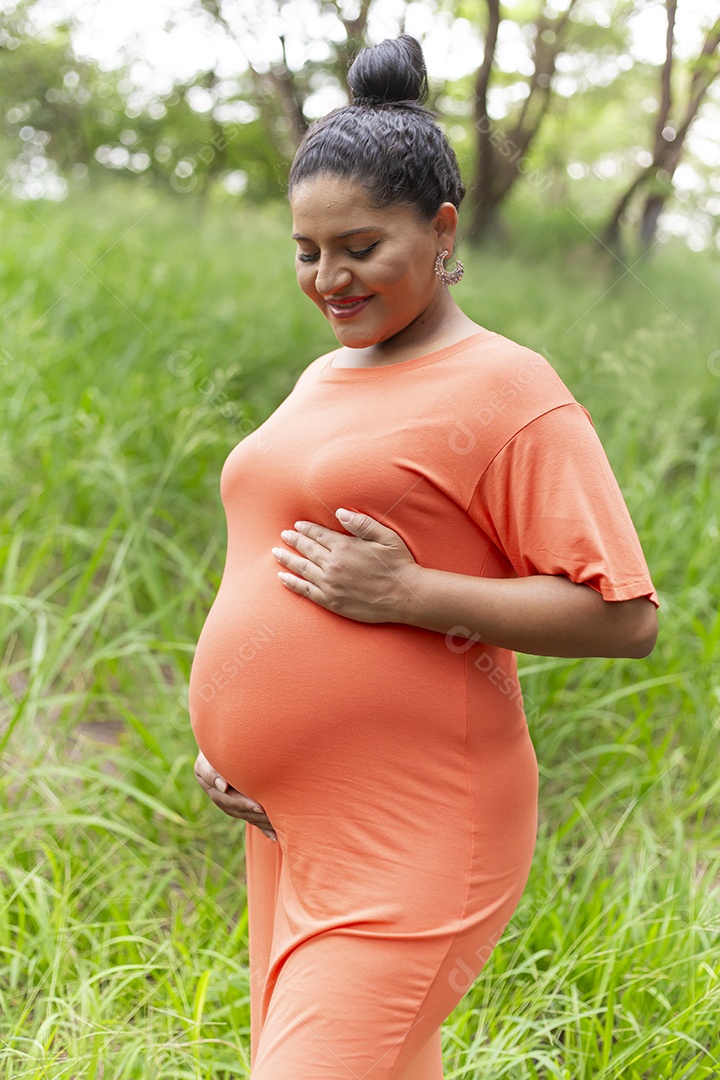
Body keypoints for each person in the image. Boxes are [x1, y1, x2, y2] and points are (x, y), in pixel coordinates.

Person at [189, 34, 658, 1080]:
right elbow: (265, 558)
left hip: (417, 826)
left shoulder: (507, 388)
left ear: (442, 231)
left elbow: (627, 617)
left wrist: (410, 592)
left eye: (359, 247)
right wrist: (230, 733)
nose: (329, 279)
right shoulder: (322, 379)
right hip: (289, 827)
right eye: (306, 251)